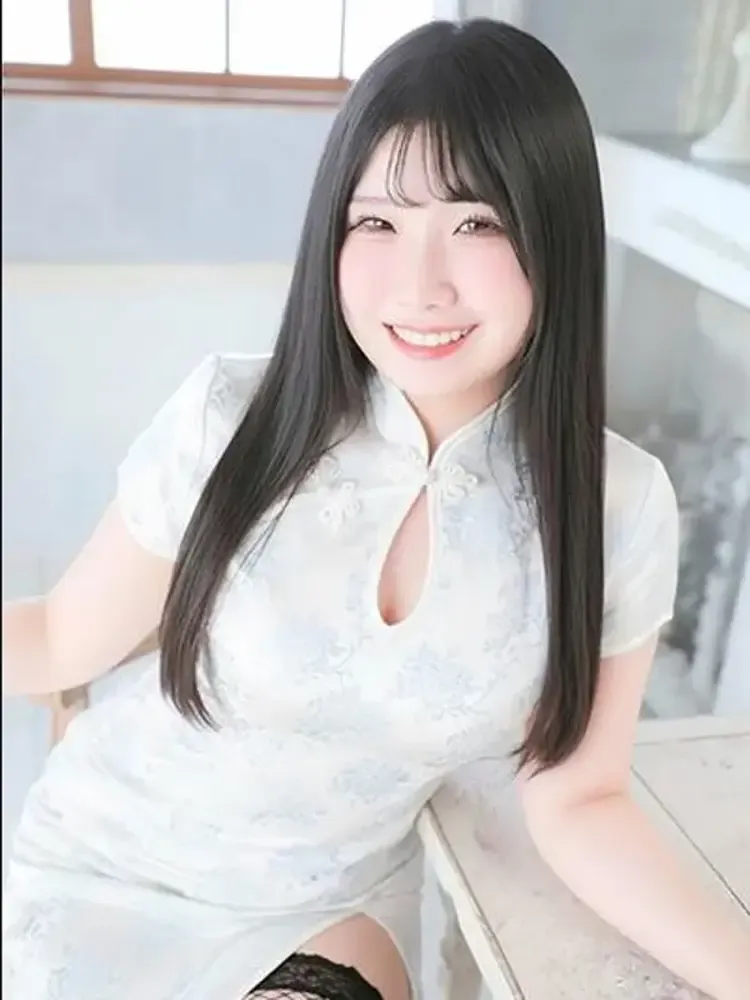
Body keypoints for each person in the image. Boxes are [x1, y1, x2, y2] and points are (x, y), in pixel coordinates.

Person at [2, 17, 748, 1000]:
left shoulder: (617, 507)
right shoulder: (231, 419)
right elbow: (58, 638)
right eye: (379, 223)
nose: (420, 285)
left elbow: (581, 799)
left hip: (320, 913)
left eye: (478, 224)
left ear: (556, 235)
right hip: (103, 870)